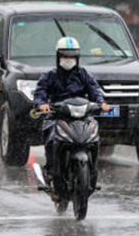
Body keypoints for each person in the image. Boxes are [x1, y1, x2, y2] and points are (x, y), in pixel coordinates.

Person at [33, 37, 110, 185]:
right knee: (50, 135)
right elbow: (40, 92)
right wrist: (41, 104)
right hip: (57, 115)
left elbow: (95, 91)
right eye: (65, 56)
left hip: (82, 116)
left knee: (94, 137)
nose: (68, 60)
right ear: (58, 56)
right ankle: (50, 171)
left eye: (72, 56)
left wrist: (101, 103)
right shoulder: (49, 75)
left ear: (77, 57)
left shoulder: (84, 74)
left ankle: (93, 172)